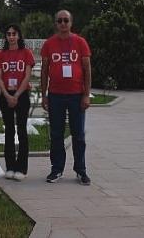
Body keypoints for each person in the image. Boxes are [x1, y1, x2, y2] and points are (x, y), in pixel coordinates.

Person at [41, 10, 92, 185]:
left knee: (78, 135)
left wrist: (86, 95)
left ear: (71, 23)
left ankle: (81, 170)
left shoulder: (80, 42)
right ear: (56, 23)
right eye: (59, 20)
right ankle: (57, 169)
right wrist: (44, 95)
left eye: (66, 20)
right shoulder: (49, 44)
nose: (63, 23)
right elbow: (44, 70)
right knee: (56, 134)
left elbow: (87, 69)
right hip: (56, 96)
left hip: (76, 96)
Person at [0, 24, 34, 181]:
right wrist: (6, 95)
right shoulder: (1, 55)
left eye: (14, 34)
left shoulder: (26, 53)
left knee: (22, 131)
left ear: (19, 36)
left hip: (21, 95)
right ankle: (10, 166)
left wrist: (16, 95)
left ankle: (22, 168)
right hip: (6, 95)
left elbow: (27, 76)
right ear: (6, 37)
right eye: (8, 34)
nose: (11, 36)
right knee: (9, 131)